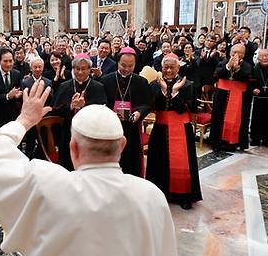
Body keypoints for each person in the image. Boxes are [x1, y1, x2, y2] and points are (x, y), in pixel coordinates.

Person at [0, 85, 178, 256]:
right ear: (122, 145)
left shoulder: (46, 183)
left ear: (73, 148)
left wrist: (25, 120)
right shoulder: (151, 195)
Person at [146, 54, 201, 209]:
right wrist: (163, 90)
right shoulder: (155, 85)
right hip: (161, 128)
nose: (168, 70)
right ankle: (159, 193)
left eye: (172, 67)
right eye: (166, 67)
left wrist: (174, 92)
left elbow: (185, 108)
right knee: (159, 162)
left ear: (178, 68)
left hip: (181, 129)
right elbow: (153, 105)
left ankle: (183, 196)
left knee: (182, 164)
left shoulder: (188, 84)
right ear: (161, 68)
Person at [100, 47, 152, 177]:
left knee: (131, 160)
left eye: (131, 65)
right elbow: (101, 103)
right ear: (117, 62)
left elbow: (147, 104)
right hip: (110, 128)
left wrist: (139, 113)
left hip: (132, 127)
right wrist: (109, 113)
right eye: (123, 65)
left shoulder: (141, 82)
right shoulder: (106, 80)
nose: (127, 69)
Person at [52, 54, 107, 171]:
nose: (80, 72)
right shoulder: (64, 86)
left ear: (89, 70)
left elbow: (102, 111)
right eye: (77, 69)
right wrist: (71, 106)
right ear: (73, 69)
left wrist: (84, 106)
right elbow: (55, 110)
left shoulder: (98, 87)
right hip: (68, 133)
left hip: (90, 134)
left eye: (83, 69)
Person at [209, 43, 253, 151]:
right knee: (219, 117)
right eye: (234, 52)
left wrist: (238, 69)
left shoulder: (247, 65)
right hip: (222, 95)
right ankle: (217, 142)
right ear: (230, 53)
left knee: (236, 119)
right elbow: (217, 74)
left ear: (244, 54)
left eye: (240, 52)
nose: (236, 54)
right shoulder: (222, 62)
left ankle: (232, 143)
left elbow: (248, 78)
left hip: (238, 95)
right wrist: (228, 67)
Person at [21, 57, 52, 159]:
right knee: (30, 141)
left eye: (40, 67)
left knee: (43, 142)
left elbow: (50, 100)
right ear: (31, 68)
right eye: (35, 67)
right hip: (30, 119)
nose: (37, 69)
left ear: (43, 68)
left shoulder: (48, 82)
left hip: (43, 117)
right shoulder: (25, 82)